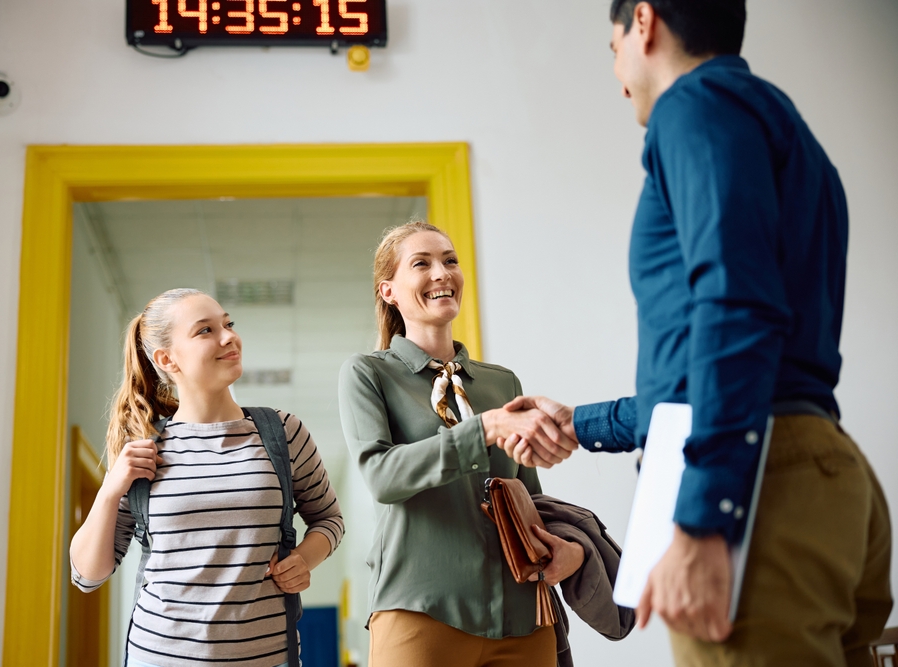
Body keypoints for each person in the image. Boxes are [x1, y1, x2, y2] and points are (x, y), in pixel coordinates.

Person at [500, 1, 893, 665]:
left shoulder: (693, 105)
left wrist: (706, 516)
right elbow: (716, 358)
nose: (618, 75)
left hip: (757, 483)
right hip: (824, 468)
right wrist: (581, 423)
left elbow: (735, 307)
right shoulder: (783, 126)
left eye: (612, 48)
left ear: (643, 22)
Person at [338, 221, 594, 667]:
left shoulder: (503, 383)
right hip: (420, 613)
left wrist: (571, 546)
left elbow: (530, 498)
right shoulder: (367, 373)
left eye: (450, 260)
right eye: (422, 264)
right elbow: (382, 477)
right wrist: (483, 429)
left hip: (523, 617)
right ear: (388, 291)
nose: (442, 273)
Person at [69, 288, 344, 667]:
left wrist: (304, 559)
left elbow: (329, 519)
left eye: (228, 324)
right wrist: (109, 490)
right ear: (167, 359)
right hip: (159, 657)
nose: (229, 337)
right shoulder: (145, 450)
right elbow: (86, 576)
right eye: (205, 330)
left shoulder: (282, 432)